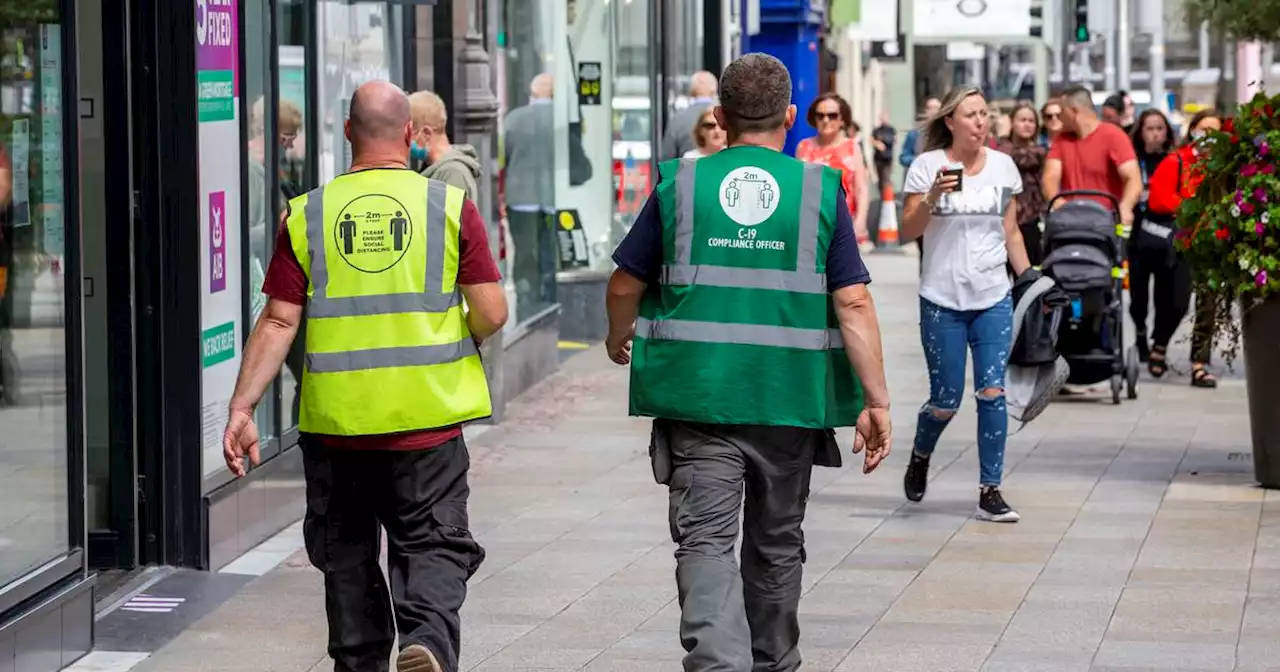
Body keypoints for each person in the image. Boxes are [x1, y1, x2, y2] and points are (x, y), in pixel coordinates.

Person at [605, 53, 892, 671]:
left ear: (720, 116)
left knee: (705, 540)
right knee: (777, 541)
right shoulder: (818, 189)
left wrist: (616, 335)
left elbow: (625, 281)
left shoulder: (679, 185)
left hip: (700, 397)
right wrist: (877, 401)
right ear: (790, 117)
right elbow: (853, 300)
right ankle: (772, 661)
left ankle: (718, 662)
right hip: (787, 400)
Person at [222, 81, 507, 672]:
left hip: (338, 430)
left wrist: (242, 408)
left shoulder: (306, 214)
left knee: (347, 558)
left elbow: (278, 320)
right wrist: (461, 334)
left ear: (347, 133)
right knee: (431, 543)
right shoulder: (448, 207)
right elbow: (493, 311)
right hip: (426, 425)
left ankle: (359, 661)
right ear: (409, 134)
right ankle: (425, 638)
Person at [899, 86, 1033, 522]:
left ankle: (990, 489)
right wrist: (933, 195)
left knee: (992, 393)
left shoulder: (1003, 167)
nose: (981, 122)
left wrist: (1029, 280)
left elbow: (1011, 232)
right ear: (951, 122)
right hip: (941, 299)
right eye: (972, 115)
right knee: (946, 400)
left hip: (992, 297)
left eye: (985, 115)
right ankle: (921, 453)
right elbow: (906, 231)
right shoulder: (926, 166)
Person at [1145, 109, 1223, 389]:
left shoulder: (1224, 167)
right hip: (1182, 243)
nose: (1209, 137)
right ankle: (1160, 345)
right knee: (1176, 303)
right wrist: (1193, 210)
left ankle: (1199, 364)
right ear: (1192, 131)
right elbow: (1157, 199)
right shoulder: (1176, 161)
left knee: (1208, 305)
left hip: (1212, 245)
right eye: (1204, 130)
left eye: (1215, 131)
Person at [1042, 86, 1142, 231]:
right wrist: (1058, 203)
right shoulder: (1062, 140)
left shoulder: (1114, 136)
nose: (1059, 118)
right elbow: (1049, 178)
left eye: (1062, 112)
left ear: (1074, 111)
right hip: (1070, 221)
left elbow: (1133, 178)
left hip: (1106, 221)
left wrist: (1125, 206)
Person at [1127, 108, 1181, 371]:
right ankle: (1139, 331)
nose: (1156, 133)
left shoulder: (1173, 160)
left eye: (1160, 128)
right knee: (1138, 293)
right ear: (1141, 132)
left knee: (1165, 294)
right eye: (1150, 128)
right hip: (1137, 237)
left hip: (1166, 236)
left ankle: (1160, 342)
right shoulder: (1133, 161)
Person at [503, 73, 558, 312]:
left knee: (525, 252)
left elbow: (501, 156)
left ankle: (527, 299)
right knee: (550, 249)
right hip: (554, 197)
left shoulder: (514, 119)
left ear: (531, 92)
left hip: (521, 198)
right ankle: (550, 296)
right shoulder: (562, 119)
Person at [796, 92, 871, 248]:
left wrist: (861, 221)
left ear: (842, 119)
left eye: (832, 115)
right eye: (820, 115)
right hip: (809, 227)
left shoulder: (851, 147)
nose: (825, 120)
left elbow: (861, 188)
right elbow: (797, 189)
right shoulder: (804, 147)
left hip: (843, 226)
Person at [997, 102, 1048, 267]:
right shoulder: (1000, 149)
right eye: (1022, 120)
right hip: (1004, 220)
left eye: (1031, 121)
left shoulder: (1039, 152)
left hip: (1031, 221)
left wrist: (1003, 137)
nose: (1027, 124)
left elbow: (1012, 159)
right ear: (1012, 122)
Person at [409, 90, 483, 201]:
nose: (406, 140)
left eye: (409, 133)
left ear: (426, 133)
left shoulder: (454, 174)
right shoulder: (437, 168)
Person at [661, 70, 719, 161]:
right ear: (714, 90)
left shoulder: (677, 119)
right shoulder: (726, 117)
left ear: (691, 90)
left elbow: (667, 158)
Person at [899, 96, 941, 173]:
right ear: (925, 111)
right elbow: (903, 158)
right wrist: (919, 159)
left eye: (937, 108)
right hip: (920, 177)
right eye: (930, 108)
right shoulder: (914, 134)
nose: (934, 111)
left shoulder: (948, 132)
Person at [871, 110, 897, 192]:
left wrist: (891, 140)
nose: (883, 119)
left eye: (885, 117)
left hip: (888, 158)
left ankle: (887, 196)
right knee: (880, 178)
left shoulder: (891, 129)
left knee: (886, 177)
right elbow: (871, 139)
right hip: (878, 158)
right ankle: (883, 195)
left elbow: (895, 139)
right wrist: (877, 144)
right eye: (882, 118)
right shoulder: (877, 130)